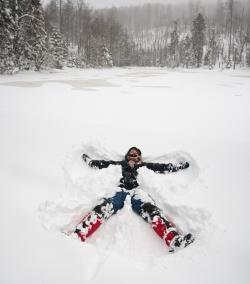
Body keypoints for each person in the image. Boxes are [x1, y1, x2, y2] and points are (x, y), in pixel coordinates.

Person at [74, 146, 194, 252]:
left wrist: (179, 166)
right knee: (105, 206)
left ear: (139, 158)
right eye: (130, 154)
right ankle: (78, 234)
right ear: (127, 156)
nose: (132, 155)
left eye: (135, 154)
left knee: (151, 210)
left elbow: (163, 167)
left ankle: (174, 240)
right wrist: (89, 161)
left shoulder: (144, 166)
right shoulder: (120, 164)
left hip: (137, 192)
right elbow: (101, 164)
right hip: (119, 191)